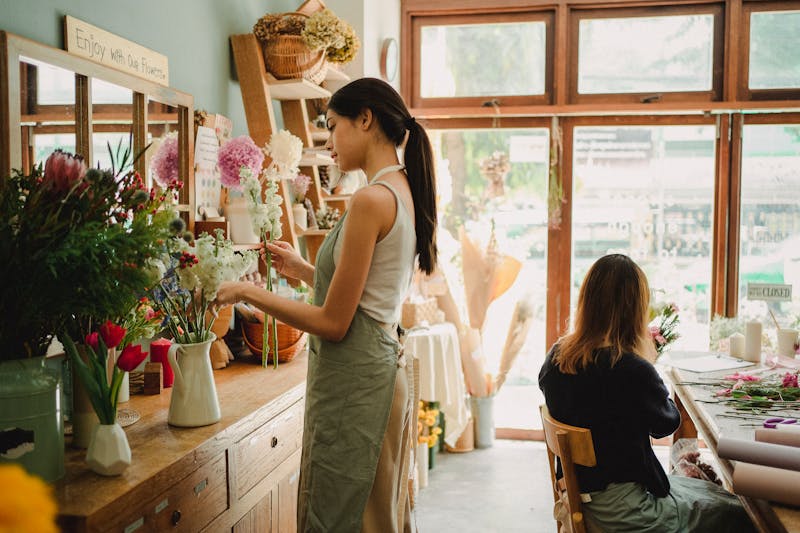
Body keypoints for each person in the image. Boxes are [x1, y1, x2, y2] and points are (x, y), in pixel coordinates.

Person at [213, 77, 437, 532]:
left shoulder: (371, 200)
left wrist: (248, 292)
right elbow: (366, 298)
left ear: (366, 119)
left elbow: (335, 322)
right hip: (374, 373)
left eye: (333, 127)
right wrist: (303, 271)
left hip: (359, 385)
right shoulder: (401, 189)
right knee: (376, 515)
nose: (329, 141)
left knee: (343, 515)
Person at [538, 254, 754, 533]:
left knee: (715, 495)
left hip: (577, 498)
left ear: (587, 301)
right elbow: (665, 424)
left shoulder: (557, 356)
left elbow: (577, 396)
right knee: (740, 511)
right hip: (626, 511)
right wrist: (646, 364)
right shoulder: (631, 369)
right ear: (635, 309)